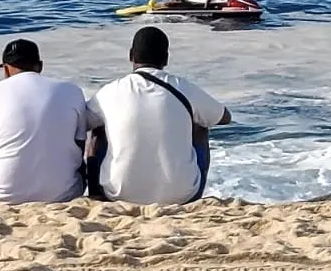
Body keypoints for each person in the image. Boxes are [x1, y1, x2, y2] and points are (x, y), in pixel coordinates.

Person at [86, 26, 232, 204]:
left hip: (119, 194)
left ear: (131, 56)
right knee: (201, 125)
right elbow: (224, 117)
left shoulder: (110, 91)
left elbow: (84, 121)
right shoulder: (183, 87)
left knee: (98, 129)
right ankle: (184, 185)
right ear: (166, 58)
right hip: (181, 196)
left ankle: (95, 193)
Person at [0, 39, 89, 205]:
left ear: (6, 69)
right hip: (64, 193)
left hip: (3, 196)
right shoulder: (72, 91)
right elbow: (80, 144)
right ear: (40, 66)